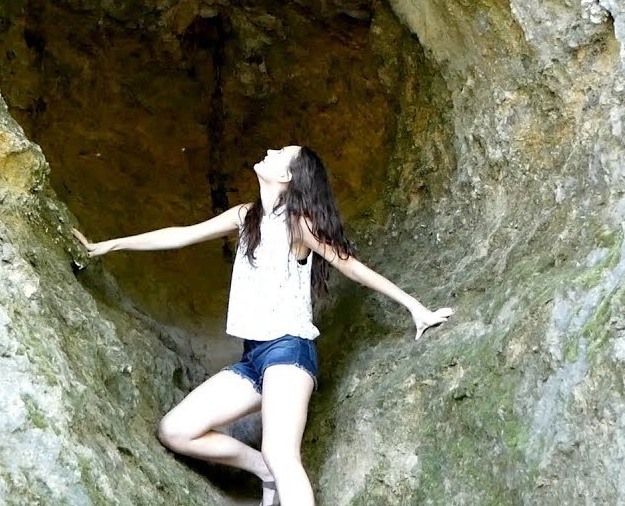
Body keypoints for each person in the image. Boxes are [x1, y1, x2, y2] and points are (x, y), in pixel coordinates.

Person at [71, 145, 454, 506]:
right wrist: (110, 245)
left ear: (288, 177)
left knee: (282, 452)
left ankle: (274, 467)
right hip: (253, 358)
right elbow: (183, 234)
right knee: (175, 430)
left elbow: (353, 268)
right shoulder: (245, 217)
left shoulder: (299, 226)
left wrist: (415, 308)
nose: (269, 151)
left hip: (289, 352)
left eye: (280, 153)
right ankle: (262, 470)